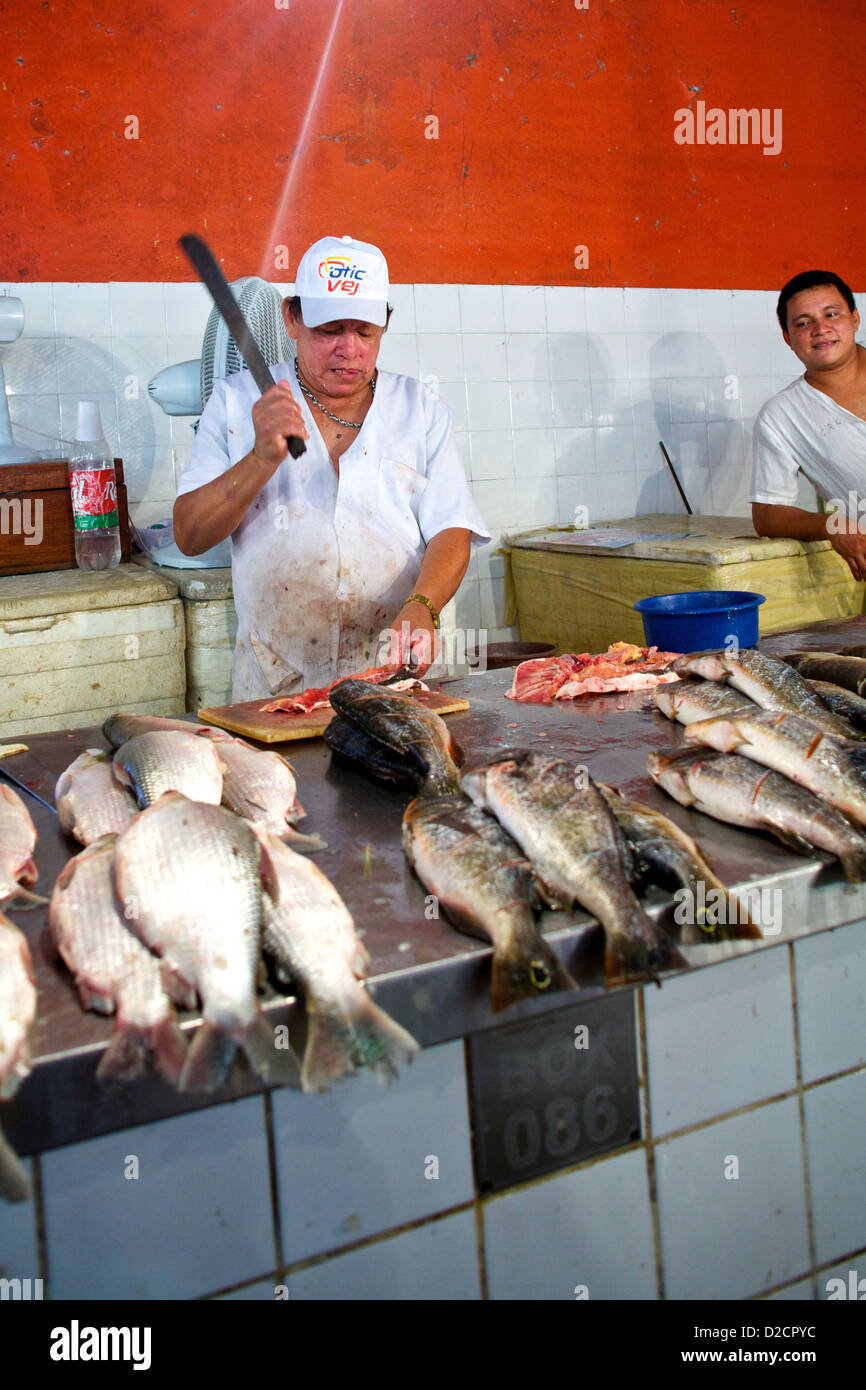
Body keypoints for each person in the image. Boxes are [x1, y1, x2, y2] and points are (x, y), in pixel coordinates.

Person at [173, 234, 489, 700]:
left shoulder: (418, 409)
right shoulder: (238, 400)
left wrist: (423, 605)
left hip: (398, 677)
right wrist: (261, 457)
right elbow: (191, 535)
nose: (349, 349)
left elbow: (452, 528)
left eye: (364, 332)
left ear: (384, 325)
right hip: (277, 685)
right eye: (329, 330)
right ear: (292, 318)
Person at [750, 269, 866, 581]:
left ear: (854, 319)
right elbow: (767, 514)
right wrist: (834, 525)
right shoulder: (782, 415)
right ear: (788, 338)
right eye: (803, 323)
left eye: (832, 314)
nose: (820, 329)